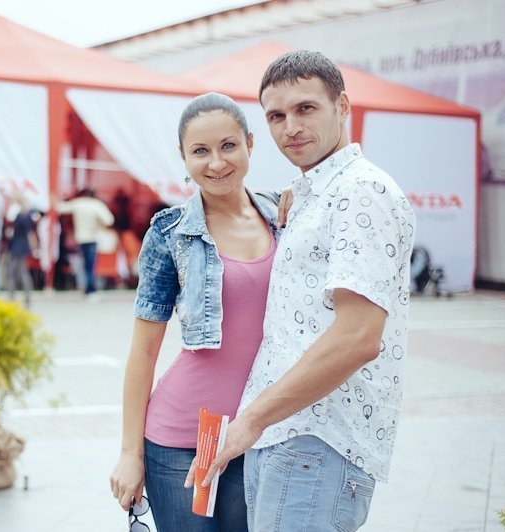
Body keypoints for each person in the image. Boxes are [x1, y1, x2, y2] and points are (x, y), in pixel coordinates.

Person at [188, 51, 416, 532]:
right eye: (276, 116)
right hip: (286, 434)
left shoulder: (361, 192)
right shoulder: (315, 194)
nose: (290, 127)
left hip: (318, 438)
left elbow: (358, 337)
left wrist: (251, 420)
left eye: (305, 108)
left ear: (342, 106)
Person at [110, 92, 288, 532]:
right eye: (201, 151)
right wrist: (130, 453)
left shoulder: (285, 218)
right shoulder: (169, 233)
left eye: (228, 145)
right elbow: (144, 352)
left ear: (250, 143)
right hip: (180, 440)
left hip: (260, 434)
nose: (216, 163)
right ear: (183, 156)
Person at [55, 189, 114, 297]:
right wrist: (99, 225)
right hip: (93, 237)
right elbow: (109, 220)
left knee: (83, 264)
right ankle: (90, 289)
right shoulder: (97, 205)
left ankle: (85, 287)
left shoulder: (79, 203)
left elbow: (61, 208)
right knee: (90, 265)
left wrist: (53, 198)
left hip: (81, 238)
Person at [5, 194, 40, 307]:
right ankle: (26, 297)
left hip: (17, 247)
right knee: (22, 272)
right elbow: (30, 233)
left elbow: (28, 234)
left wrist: (34, 246)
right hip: (23, 247)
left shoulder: (20, 216)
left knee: (14, 272)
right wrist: (33, 247)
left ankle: (13, 296)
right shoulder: (28, 216)